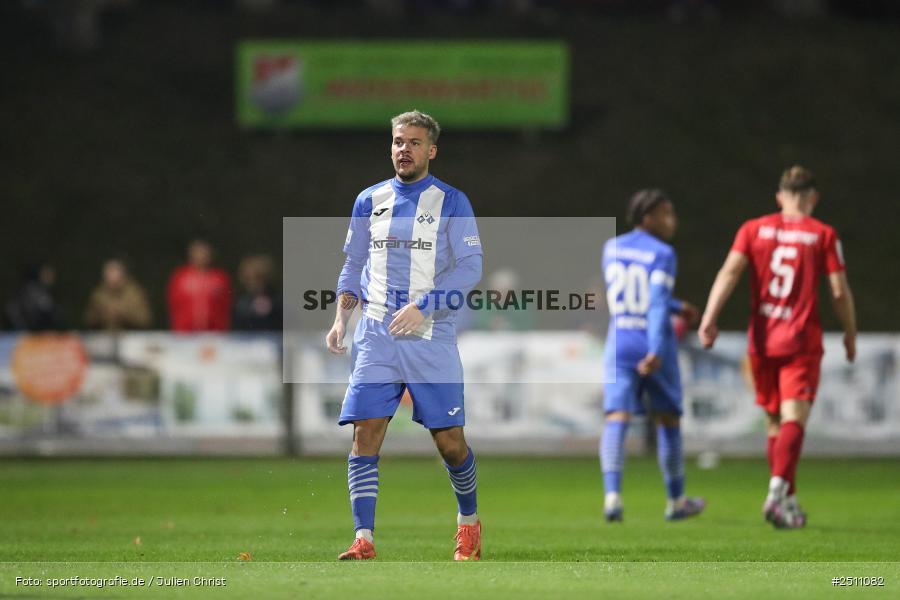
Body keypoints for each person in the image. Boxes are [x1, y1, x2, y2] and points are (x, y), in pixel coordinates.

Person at [326, 110, 484, 561]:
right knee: (365, 433)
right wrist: (341, 318)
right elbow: (353, 265)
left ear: (430, 150)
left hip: (430, 335)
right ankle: (364, 538)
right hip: (375, 335)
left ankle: (469, 523)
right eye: (398, 141)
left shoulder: (452, 201)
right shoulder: (368, 200)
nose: (404, 149)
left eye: (414, 143)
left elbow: (470, 267)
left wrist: (424, 307)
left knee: (450, 443)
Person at [698, 165, 856, 529]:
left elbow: (729, 272)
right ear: (812, 197)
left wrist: (709, 316)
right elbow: (837, 290)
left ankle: (789, 501)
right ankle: (775, 494)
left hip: (762, 341)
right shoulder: (823, 235)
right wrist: (849, 332)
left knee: (774, 424)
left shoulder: (753, 229)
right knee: (794, 420)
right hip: (800, 341)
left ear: (779, 196)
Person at [600, 189, 704, 522]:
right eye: (666, 213)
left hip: (619, 341)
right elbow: (655, 301)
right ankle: (676, 502)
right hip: (650, 339)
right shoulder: (663, 253)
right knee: (668, 419)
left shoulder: (610, 247)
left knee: (617, 417)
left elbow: (631, 293)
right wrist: (657, 349)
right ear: (648, 218)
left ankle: (612, 497)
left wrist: (679, 305)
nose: (672, 220)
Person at [166, 240, 232, 332]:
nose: (201, 256)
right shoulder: (180, 277)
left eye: (204, 253)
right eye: (198, 252)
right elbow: (173, 304)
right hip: (184, 334)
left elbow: (226, 305)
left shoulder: (220, 278)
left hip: (215, 334)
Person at [84, 259, 152, 331]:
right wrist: (102, 314)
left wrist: (123, 313)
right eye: (108, 273)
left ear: (122, 274)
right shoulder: (98, 294)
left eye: (114, 272)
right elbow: (88, 319)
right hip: (104, 336)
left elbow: (145, 319)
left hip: (131, 336)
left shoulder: (134, 293)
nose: (111, 277)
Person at [5, 262, 64, 331]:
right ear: (39, 274)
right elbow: (14, 311)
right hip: (24, 333)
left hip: (35, 334)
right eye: (47, 274)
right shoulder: (31, 290)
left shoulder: (44, 292)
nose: (51, 277)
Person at [233, 255, 282, 331]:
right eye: (248, 278)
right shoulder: (239, 300)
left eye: (257, 277)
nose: (252, 282)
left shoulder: (277, 300)